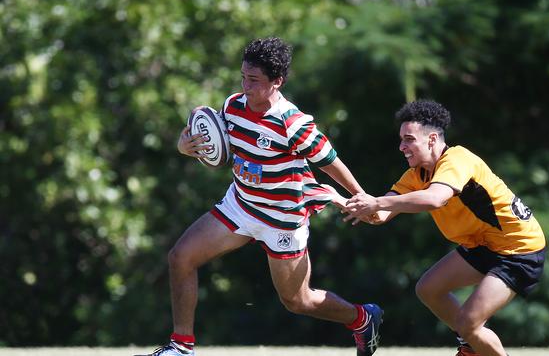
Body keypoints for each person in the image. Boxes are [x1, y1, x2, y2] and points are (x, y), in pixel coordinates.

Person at [139, 37, 382, 356]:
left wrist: (364, 198)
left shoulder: (292, 123)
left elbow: (330, 162)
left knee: (298, 301)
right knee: (180, 258)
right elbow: (214, 146)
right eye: (243, 77)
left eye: (253, 80)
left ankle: (363, 319)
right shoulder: (232, 106)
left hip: (283, 219)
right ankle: (181, 347)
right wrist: (185, 146)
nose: (245, 86)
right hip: (240, 206)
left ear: (277, 81)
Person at [336, 100, 546, 356]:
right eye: (401, 139)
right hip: (484, 245)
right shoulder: (416, 175)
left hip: (518, 248)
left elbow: (435, 198)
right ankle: (471, 346)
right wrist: (340, 200)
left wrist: (376, 201)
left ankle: (471, 340)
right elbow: (380, 215)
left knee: (468, 324)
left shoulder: (458, 159)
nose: (402, 146)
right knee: (429, 289)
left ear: (432, 139)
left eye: (409, 139)